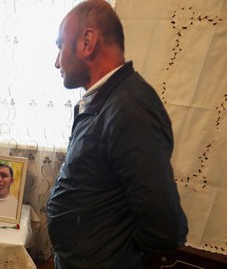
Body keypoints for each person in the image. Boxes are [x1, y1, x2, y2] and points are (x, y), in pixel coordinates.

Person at [46, 1, 188, 268]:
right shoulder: (106, 99)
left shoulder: (130, 108)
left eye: (60, 46)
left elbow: (165, 226)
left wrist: (112, 254)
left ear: (87, 42)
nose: (56, 62)